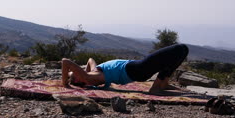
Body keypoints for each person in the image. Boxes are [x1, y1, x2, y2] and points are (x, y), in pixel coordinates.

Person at [61, 44, 189, 94]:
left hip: (137, 70)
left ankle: (163, 83)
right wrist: (64, 82)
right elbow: (65, 61)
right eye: (75, 73)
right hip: (136, 69)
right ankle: (155, 87)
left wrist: (87, 69)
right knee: (179, 48)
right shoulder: (88, 77)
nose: (79, 71)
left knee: (183, 51)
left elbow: (90, 59)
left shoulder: (91, 73)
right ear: (78, 78)